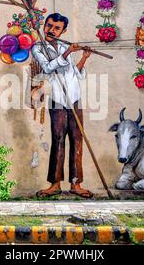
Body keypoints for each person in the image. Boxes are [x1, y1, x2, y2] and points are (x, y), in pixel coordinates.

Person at [31, 13, 93, 199]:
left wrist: (84, 57)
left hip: (74, 99)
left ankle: (76, 184)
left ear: (63, 30)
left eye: (57, 28)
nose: (51, 30)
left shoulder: (66, 46)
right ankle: (55, 184)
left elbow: (76, 73)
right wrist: (66, 54)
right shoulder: (38, 47)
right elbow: (48, 67)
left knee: (77, 139)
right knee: (58, 140)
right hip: (57, 100)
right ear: (44, 26)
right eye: (49, 26)